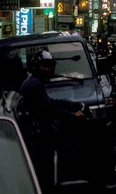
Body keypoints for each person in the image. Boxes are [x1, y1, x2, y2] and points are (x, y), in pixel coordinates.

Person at [19, 49, 86, 192]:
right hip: (39, 128)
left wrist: (69, 103)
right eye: (44, 65)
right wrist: (72, 115)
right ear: (37, 66)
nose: (48, 69)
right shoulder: (34, 85)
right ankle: (65, 182)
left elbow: (49, 102)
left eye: (49, 65)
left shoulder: (35, 82)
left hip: (40, 124)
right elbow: (49, 108)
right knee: (65, 149)